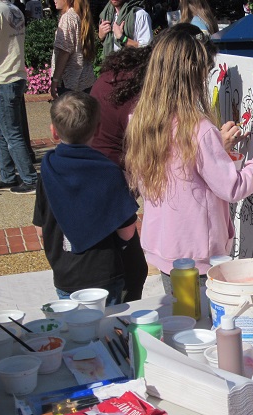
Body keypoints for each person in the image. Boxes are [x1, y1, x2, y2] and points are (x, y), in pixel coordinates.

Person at [124, 23, 253, 293]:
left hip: (165, 250)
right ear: (194, 78)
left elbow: (181, 169)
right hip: (199, 260)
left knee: (181, 315)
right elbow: (233, 188)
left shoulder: (141, 121)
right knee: (202, 316)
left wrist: (218, 146)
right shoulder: (199, 130)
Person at [33, 91, 138, 305]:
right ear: (98, 129)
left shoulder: (47, 171)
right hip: (105, 272)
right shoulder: (108, 172)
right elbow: (127, 231)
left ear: (53, 131)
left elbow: (40, 228)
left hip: (65, 274)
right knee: (108, 325)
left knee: (73, 324)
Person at [90, 46, 152, 301]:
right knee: (131, 270)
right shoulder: (139, 94)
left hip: (97, 174)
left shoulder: (116, 76)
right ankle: (121, 319)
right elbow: (147, 145)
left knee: (124, 267)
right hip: (110, 180)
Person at [0, 0, 38, 194]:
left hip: (4, 79)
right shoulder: (13, 8)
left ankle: (30, 179)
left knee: (11, 133)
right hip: (14, 76)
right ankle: (7, 176)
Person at [50, 0, 96, 99]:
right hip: (85, 79)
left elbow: (64, 52)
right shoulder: (80, 15)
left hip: (70, 81)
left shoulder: (68, 17)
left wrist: (55, 80)